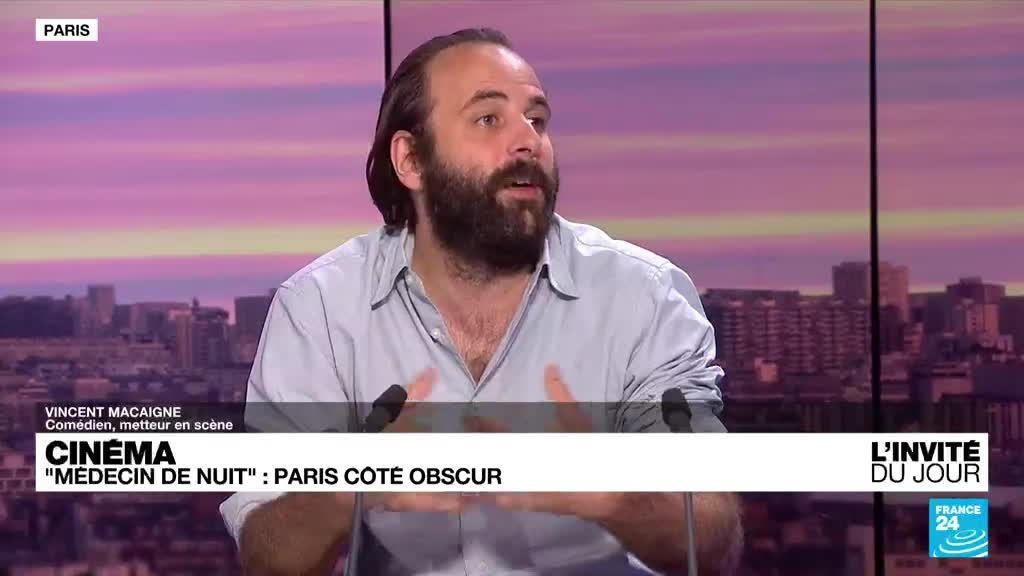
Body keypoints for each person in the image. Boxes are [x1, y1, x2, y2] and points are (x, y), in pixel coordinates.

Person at [220, 28, 743, 576]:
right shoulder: (321, 309)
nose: (528, 141)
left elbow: (713, 538)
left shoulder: (645, 297)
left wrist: (615, 497)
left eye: (537, 119)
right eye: (489, 119)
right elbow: (268, 556)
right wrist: (351, 485)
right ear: (411, 160)